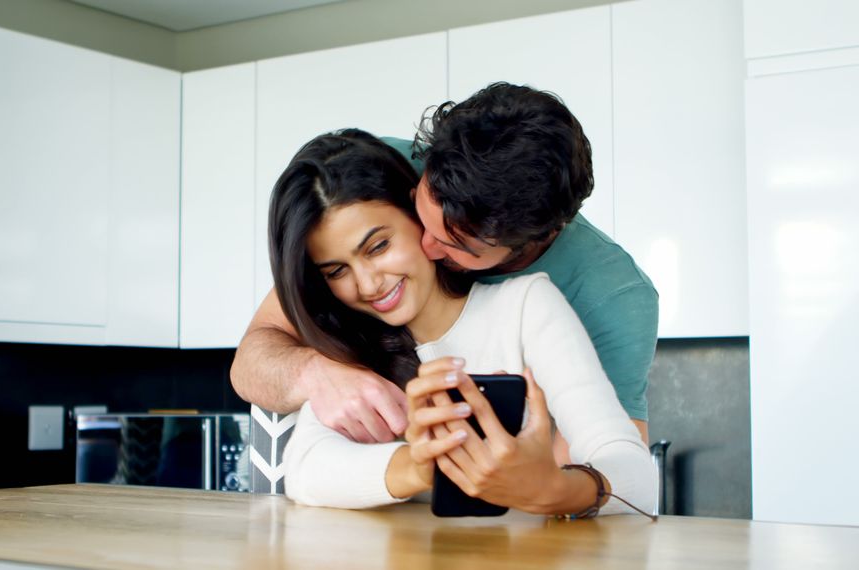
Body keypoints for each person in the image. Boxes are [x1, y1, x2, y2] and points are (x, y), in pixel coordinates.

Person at [231, 82, 658, 445]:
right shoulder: (383, 173)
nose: (428, 247)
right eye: (421, 211)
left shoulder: (615, 297)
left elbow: (610, 467)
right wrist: (316, 375)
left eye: (456, 245)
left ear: (535, 240)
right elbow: (252, 359)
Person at [269, 130, 656, 515]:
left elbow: (636, 478)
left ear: (416, 214)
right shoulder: (345, 344)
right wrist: (422, 466)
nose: (368, 284)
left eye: (378, 246)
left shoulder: (526, 307)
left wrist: (556, 488)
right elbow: (305, 471)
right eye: (337, 271)